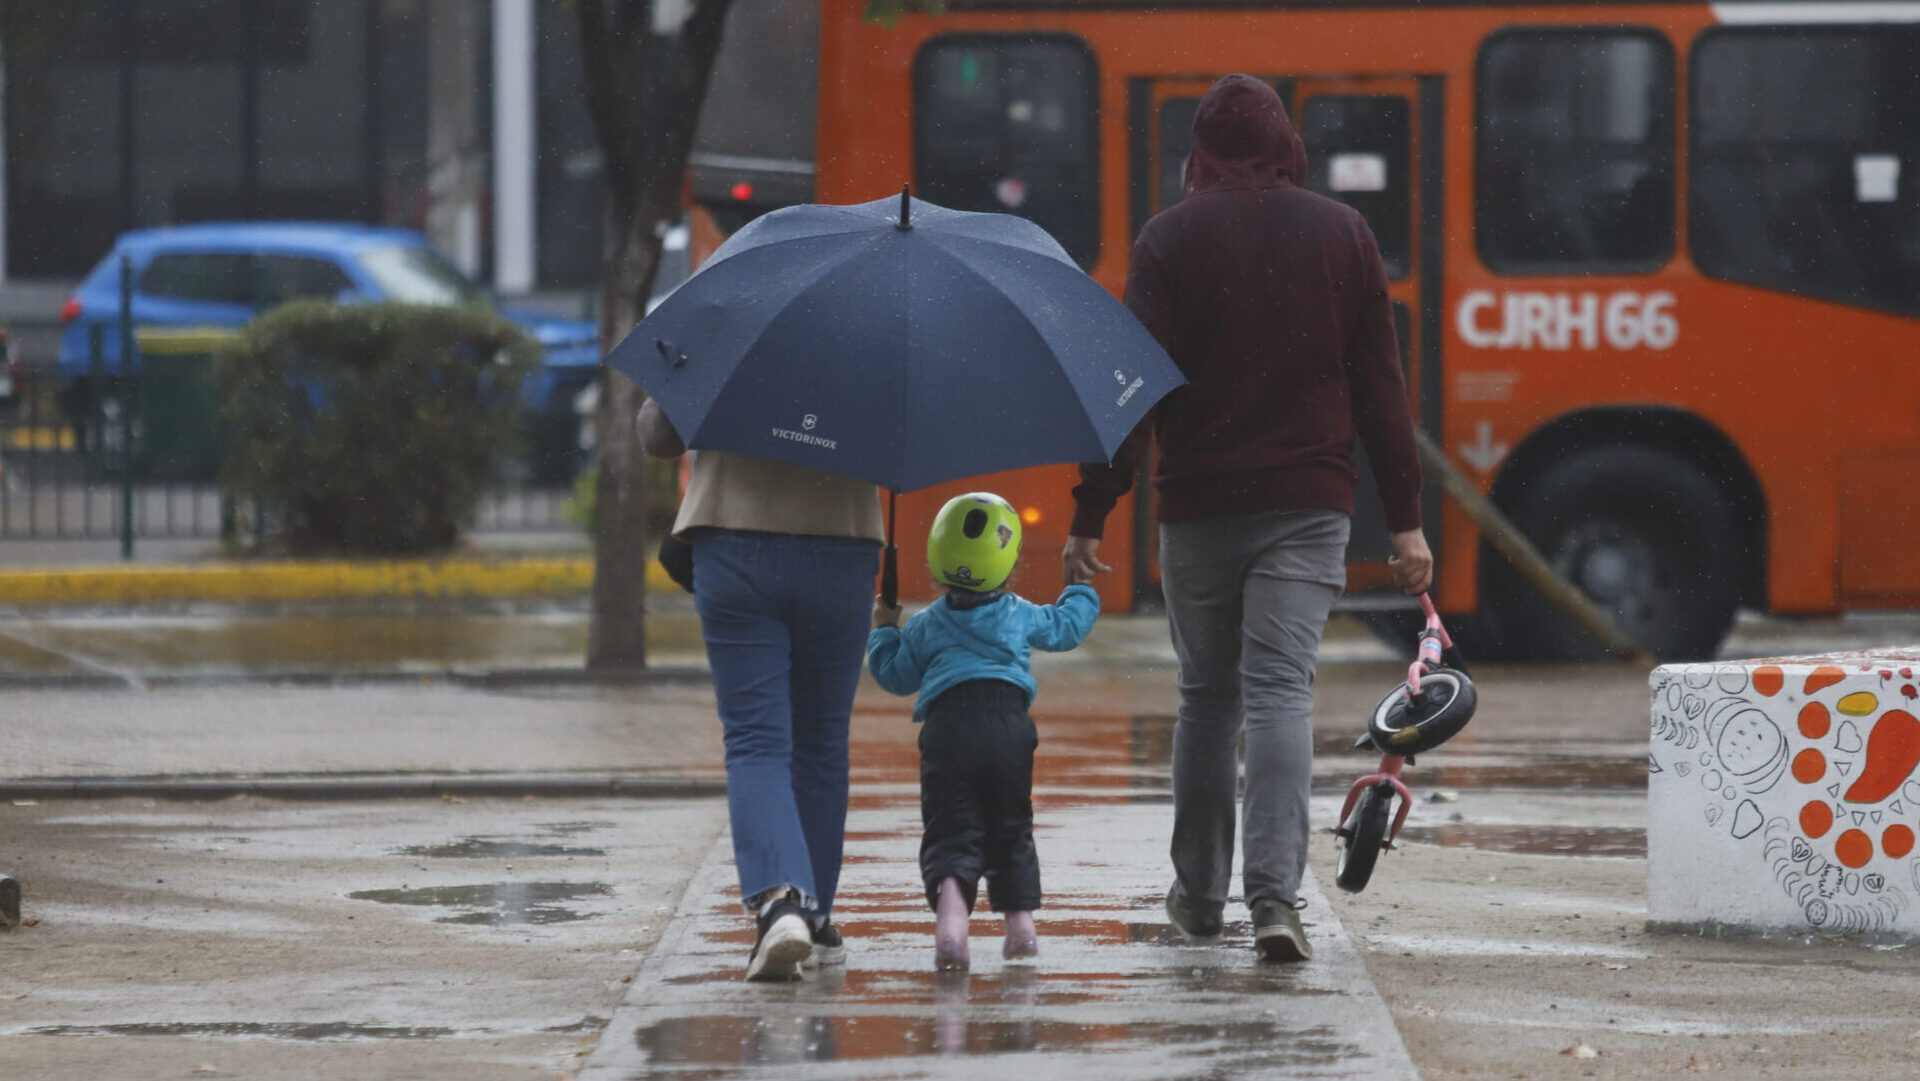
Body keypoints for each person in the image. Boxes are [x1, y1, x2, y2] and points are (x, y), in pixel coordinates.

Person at [1061, 75, 1433, 964]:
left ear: (1201, 150)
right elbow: (1382, 389)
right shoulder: (1342, 233)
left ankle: (1197, 896)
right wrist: (1408, 521)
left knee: (1206, 698)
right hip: (1309, 503)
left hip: (1197, 507)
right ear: (1284, 145)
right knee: (1278, 693)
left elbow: (1131, 390)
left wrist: (1093, 510)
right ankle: (1274, 899)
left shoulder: (1168, 239)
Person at [639, 397, 884, 981]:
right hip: (842, 538)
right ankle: (815, 916)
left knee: (756, 740)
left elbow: (658, 435)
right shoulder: (880, 319)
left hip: (735, 532)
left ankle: (780, 902)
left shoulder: (731, 314)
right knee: (822, 741)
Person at [868, 492, 1099, 971]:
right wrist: (1078, 588)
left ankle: (952, 927)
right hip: (1007, 726)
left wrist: (884, 629)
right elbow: (1066, 629)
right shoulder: (1019, 613)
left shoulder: (927, 625)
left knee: (951, 831)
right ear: (1008, 562)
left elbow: (894, 676)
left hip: (947, 729)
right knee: (1011, 828)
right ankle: (1021, 928)